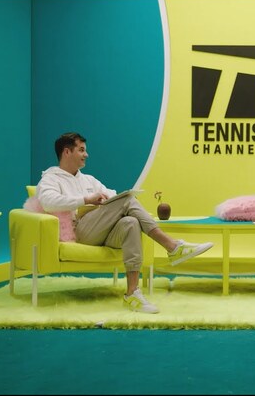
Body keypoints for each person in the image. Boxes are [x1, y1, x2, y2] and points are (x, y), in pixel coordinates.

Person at [36, 132, 214, 314]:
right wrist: (86, 199)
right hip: (79, 231)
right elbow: (48, 202)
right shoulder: (51, 178)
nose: (86, 154)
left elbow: (111, 194)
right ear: (67, 152)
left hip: (101, 230)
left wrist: (108, 201)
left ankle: (132, 294)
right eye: (81, 150)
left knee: (130, 222)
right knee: (128, 199)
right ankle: (172, 246)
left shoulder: (88, 179)